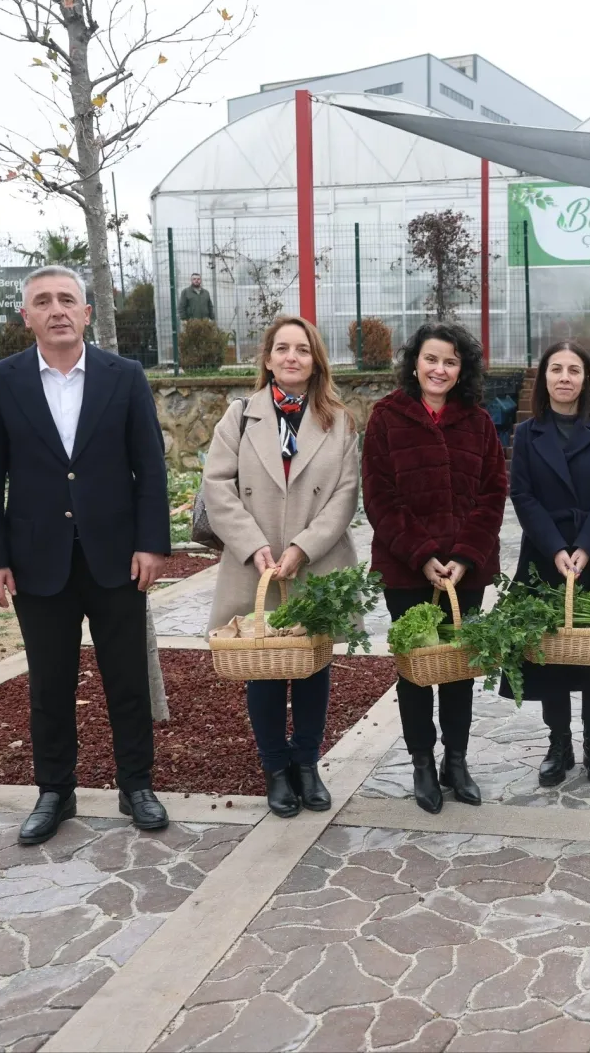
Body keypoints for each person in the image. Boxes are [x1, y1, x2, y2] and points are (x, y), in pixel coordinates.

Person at [0, 265, 170, 844]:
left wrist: (152, 543)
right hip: (37, 562)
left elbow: (149, 468)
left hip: (116, 558)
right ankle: (55, 790)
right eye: (42, 301)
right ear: (25, 316)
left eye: (66, 299)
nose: (56, 309)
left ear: (85, 312)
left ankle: (137, 785)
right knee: (49, 684)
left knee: (126, 680)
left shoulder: (124, 376)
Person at [201, 315, 361, 819]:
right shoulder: (240, 416)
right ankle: (275, 767)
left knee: (312, 667)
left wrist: (303, 547)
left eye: (303, 349)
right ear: (268, 359)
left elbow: (345, 495)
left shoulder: (339, 421)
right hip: (256, 564)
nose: (292, 357)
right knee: (263, 670)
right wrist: (253, 545)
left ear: (316, 361)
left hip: (316, 562)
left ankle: (307, 764)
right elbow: (217, 485)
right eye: (283, 348)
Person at [363, 323, 506, 814]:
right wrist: (422, 555)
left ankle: (456, 761)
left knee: (460, 668)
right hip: (406, 569)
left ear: (462, 370)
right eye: (431, 359)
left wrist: (464, 556)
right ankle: (422, 762)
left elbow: (493, 494)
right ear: (414, 363)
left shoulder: (479, 422)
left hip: (467, 572)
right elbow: (379, 496)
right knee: (416, 670)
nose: (439, 369)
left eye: (450, 361)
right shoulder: (386, 418)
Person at [508, 341, 590, 785]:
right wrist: (557, 548)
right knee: (550, 654)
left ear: (586, 378)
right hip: (545, 558)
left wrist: (586, 545)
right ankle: (558, 742)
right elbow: (522, 495)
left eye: (574, 370)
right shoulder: (527, 434)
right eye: (556, 369)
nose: (565, 377)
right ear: (544, 378)